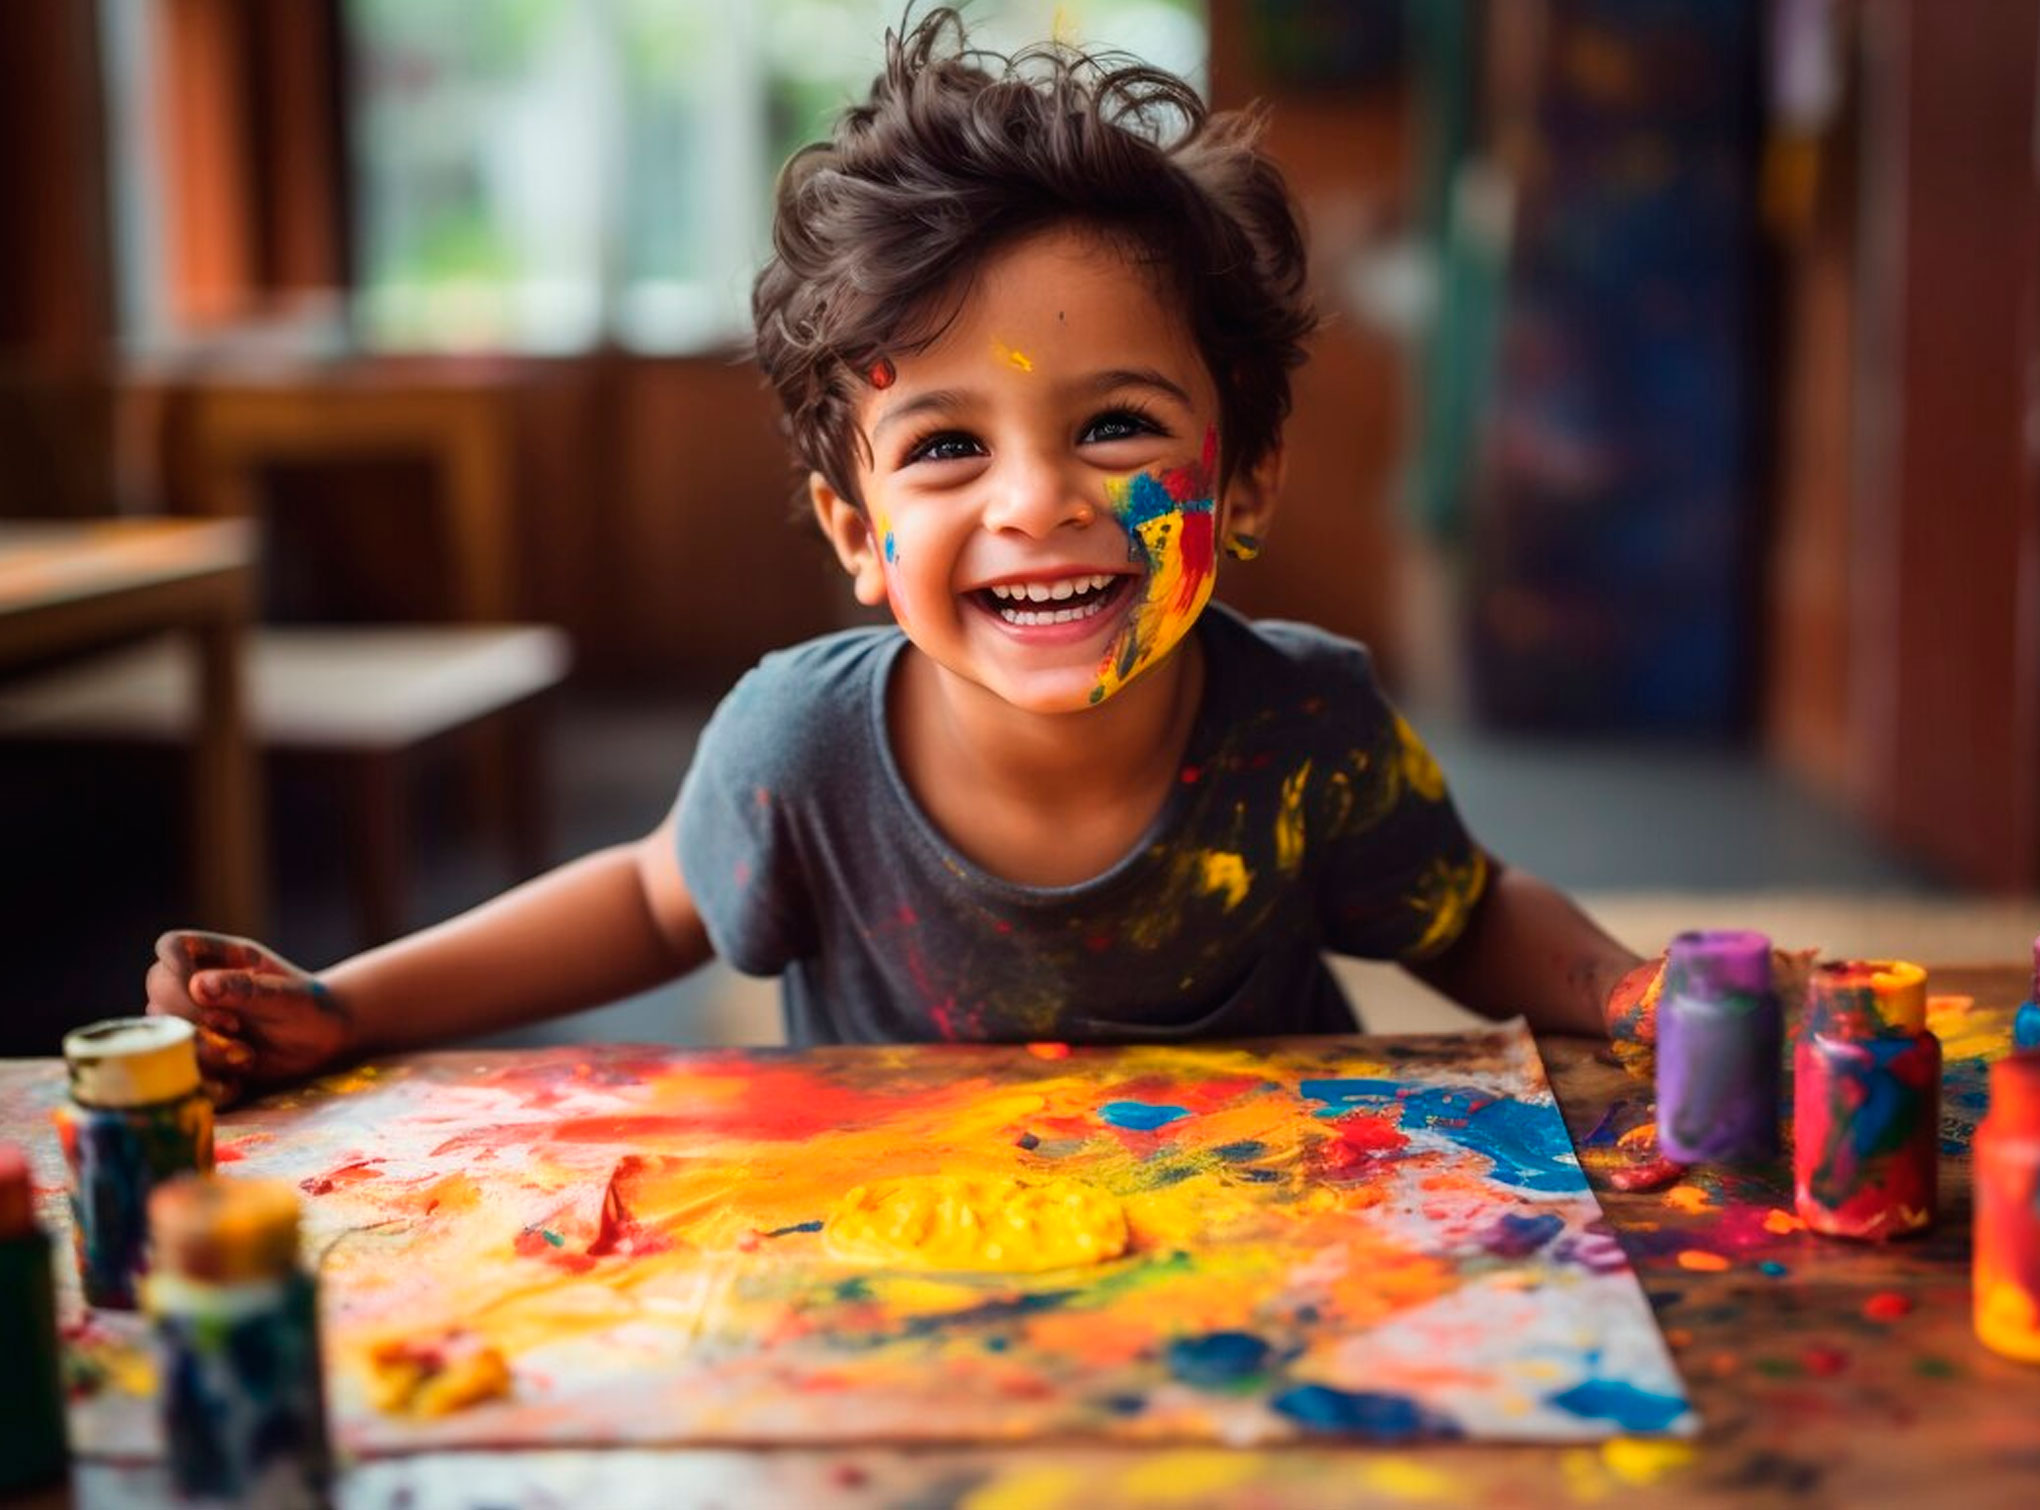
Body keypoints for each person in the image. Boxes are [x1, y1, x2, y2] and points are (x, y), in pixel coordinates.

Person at [146, 9, 1646, 1107]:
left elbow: (1470, 911)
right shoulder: (801, 750)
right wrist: (346, 1006)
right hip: (917, 1288)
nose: (1038, 499)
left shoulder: (1308, 729)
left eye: (1117, 425)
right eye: (945, 446)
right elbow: (650, 899)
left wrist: (1625, 990)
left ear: (1245, 478)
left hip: (1272, 1270)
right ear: (857, 532)